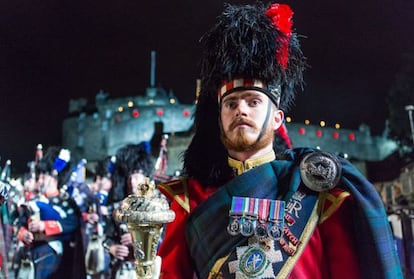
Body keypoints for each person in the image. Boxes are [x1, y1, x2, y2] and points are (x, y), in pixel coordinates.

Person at [157, 2, 402, 279]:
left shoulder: (319, 193)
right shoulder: (187, 199)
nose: (241, 109)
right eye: (231, 103)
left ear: (277, 119)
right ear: (220, 118)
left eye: (254, 101)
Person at [15, 146, 86, 279]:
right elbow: (20, 224)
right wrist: (24, 234)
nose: (40, 180)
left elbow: (72, 223)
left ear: (54, 177)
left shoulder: (65, 201)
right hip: (33, 257)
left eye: (43, 176)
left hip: (57, 260)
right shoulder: (33, 200)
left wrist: (44, 226)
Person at [102, 142, 154, 278]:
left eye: (137, 176)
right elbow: (107, 237)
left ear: (146, 177)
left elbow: (163, 238)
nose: (132, 182)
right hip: (123, 271)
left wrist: (138, 239)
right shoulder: (117, 208)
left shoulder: (157, 205)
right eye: (129, 177)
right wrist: (112, 248)